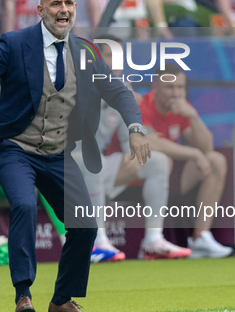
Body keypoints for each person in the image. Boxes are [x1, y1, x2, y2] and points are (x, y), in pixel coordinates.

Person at [0, 0, 149, 312]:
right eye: (55, 3)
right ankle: (23, 295)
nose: (63, 9)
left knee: (85, 225)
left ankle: (62, 299)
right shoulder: (14, 44)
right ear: (40, 11)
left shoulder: (85, 52)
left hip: (57, 152)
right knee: (24, 205)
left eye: (69, 2)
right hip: (14, 147)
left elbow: (118, 91)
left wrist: (136, 127)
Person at [74, 37, 191, 261]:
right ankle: (96, 242)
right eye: (108, 55)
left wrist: (133, 149)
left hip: (94, 166)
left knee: (156, 160)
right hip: (62, 163)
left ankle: (153, 241)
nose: (114, 62)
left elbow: (125, 138)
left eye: (118, 57)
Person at [139, 63, 233, 258]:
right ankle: (151, 242)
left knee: (216, 160)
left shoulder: (182, 107)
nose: (176, 93)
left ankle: (200, 238)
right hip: (137, 175)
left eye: (181, 87)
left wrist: (194, 116)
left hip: (168, 175)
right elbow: (150, 143)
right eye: (170, 87)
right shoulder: (143, 105)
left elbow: (206, 147)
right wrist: (193, 154)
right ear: (155, 86)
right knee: (161, 160)